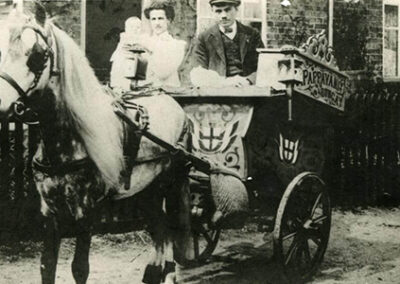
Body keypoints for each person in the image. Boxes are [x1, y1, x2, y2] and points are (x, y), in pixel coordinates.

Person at [190, 0, 264, 87]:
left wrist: (248, 80)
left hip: (248, 89)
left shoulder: (252, 35)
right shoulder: (203, 38)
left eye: (228, 10)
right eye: (218, 11)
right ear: (212, 11)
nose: (224, 16)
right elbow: (198, 72)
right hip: (217, 91)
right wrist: (223, 83)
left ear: (236, 9)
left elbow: (264, 67)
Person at [141, 0, 186, 87]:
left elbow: (162, 73)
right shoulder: (144, 42)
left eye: (160, 18)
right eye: (153, 19)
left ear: (168, 20)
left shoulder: (177, 45)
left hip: (168, 93)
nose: (157, 23)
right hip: (145, 94)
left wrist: (147, 52)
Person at [110, 17, 145, 90]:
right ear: (126, 29)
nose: (135, 29)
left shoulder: (141, 38)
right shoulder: (125, 37)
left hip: (135, 62)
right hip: (123, 61)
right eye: (131, 27)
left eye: (138, 27)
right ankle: (119, 87)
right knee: (120, 75)